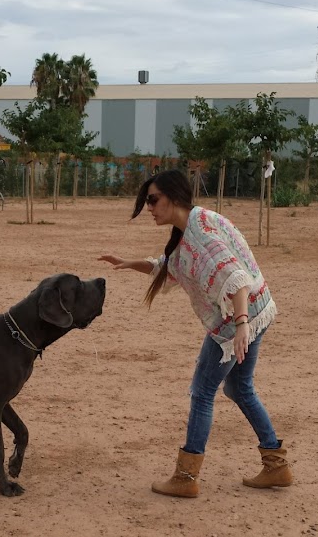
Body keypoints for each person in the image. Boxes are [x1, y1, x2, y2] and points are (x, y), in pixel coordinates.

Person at [99, 169, 293, 498]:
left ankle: (186, 477)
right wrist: (129, 263)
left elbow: (236, 278)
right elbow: (168, 266)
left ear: (174, 197)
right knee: (239, 387)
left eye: (153, 200)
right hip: (258, 309)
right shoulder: (190, 228)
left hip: (238, 319)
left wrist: (241, 325)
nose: (149, 208)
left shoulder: (199, 232)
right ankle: (276, 464)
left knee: (203, 393)